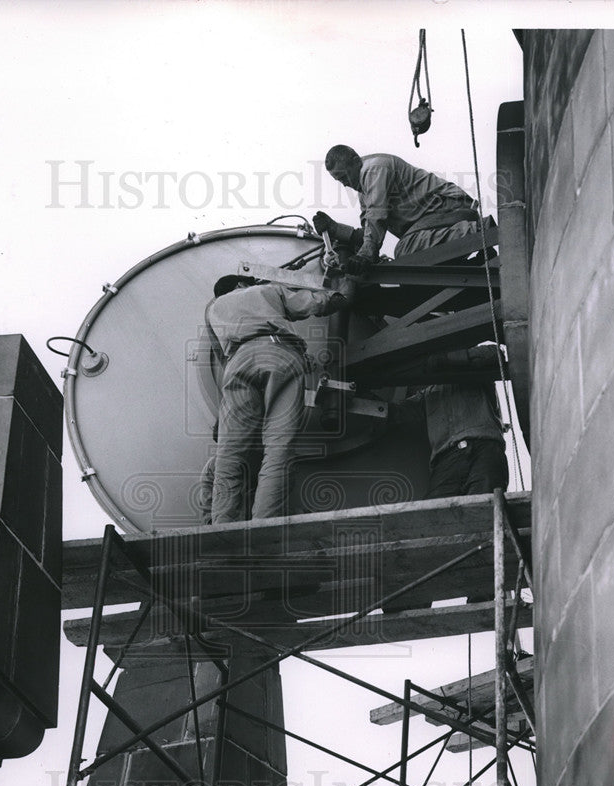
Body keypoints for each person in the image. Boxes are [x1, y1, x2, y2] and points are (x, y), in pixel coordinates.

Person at [207, 275, 350, 523]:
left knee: (229, 455)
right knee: (278, 447)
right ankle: (264, 524)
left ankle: (222, 528)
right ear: (241, 284)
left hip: (237, 363)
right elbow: (310, 303)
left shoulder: (213, 310)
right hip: (277, 353)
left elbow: (221, 356)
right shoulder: (266, 290)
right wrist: (337, 296)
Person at [315, 144, 489, 274]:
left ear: (355, 161)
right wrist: (336, 229)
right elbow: (370, 234)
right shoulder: (364, 192)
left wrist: (366, 256)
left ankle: (481, 229)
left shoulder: (374, 170)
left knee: (404, 251)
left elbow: (377, 220)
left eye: (344, 176)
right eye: (339, 180)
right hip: (431, 223)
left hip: (450, 208)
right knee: (407, 255)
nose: (344, 184)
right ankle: (467, 263)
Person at [391, 345, 509, 499]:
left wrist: (447, 359)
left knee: (484, 507)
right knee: (435, 513)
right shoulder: (428, 394)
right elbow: (396, 412)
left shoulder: (477, 374)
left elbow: (495, 354)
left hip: (484, 449)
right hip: (447, 460)